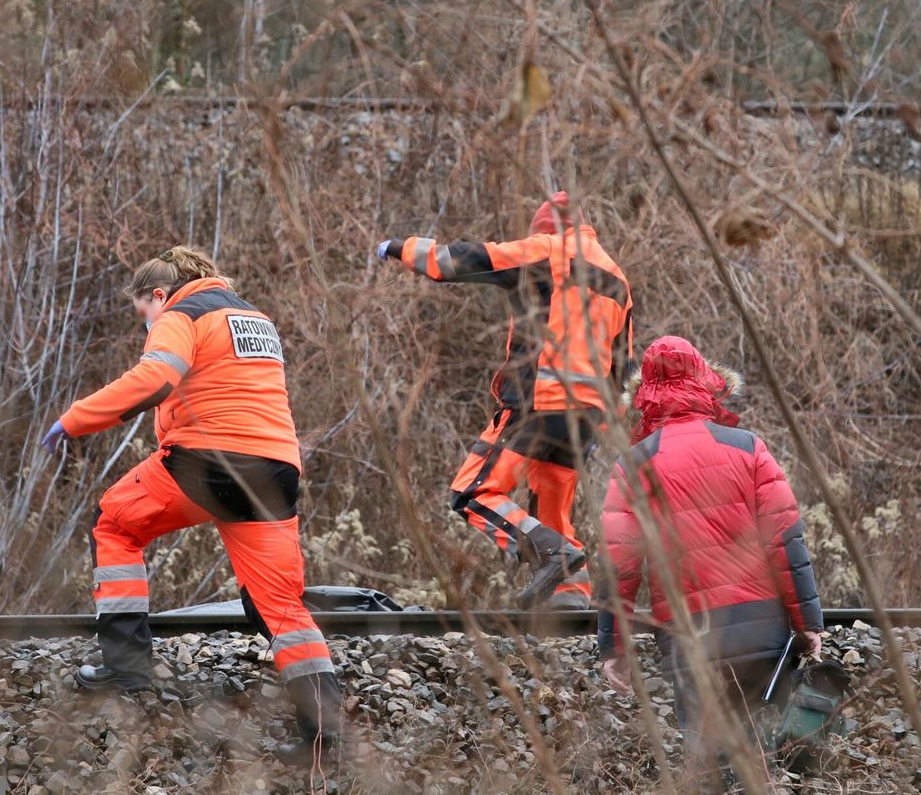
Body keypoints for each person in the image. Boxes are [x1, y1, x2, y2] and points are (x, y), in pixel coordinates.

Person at [40, 246, 342, 765]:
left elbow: (154, 379)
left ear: (159, 294)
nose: (145, 324)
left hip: (209, 463)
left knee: (114, 522)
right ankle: (324, 735)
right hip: (276, 471)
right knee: (282, 607)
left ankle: (127, 666)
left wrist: (76, 418)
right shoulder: (254, 317)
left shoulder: (181, 313)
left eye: (143, 312)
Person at [376, 192, 634, 608]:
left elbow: (460, 261)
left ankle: (551, 554)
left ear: (544, 229)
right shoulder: (617, 278)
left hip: (536, 404)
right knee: (552, 507)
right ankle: (569, 595)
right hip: (587, 418)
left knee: (474, 493)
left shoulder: (547, 250)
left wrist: (399, 248)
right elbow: (623, 365)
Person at [596, 336, 823, 782]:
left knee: (708, 764)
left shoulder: (632, 465)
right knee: (760, 754)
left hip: (688, 636)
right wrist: (808, 622)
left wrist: (614, 647)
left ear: (643, 395)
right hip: (761, 628)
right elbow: (786, 541)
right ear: (707, 382)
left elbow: (618, 565)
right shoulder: (748, 446)